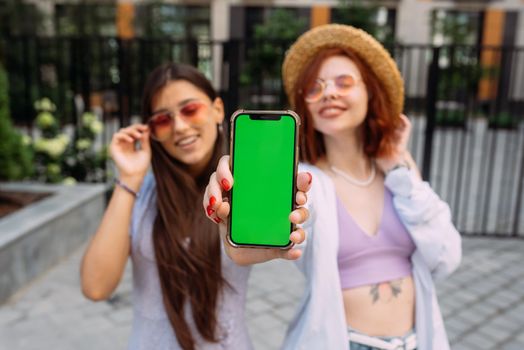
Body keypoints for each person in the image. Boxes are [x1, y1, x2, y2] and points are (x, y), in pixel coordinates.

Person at [204, 24, 462, 350]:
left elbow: (447, 257)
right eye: (314, 88)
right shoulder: (304, 181)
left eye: (344, 82)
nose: (328, 93)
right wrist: (235, 227)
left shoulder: (399, 172)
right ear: (305, 106)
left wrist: (399, 166)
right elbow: (255, 249)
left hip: (418, 341)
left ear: (370, 91)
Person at [80, 62, 311, 350]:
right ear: (151, 131)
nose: (179, 127)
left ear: (217, 109)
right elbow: (95, 287)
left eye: (190, 110)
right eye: (162, 120)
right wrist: (128, 178)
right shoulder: (142, 191)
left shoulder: (241, 187)